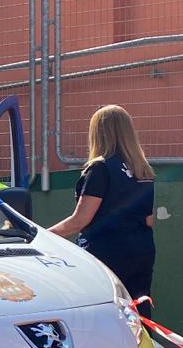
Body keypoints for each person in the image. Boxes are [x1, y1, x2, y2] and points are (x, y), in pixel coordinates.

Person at [49, 105, 156, 318]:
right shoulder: (143, 169)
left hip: (105, 254)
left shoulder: (100, 168)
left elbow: (80, 220)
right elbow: (149, 219)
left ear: (97, 132)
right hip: (142, 251)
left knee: (105, 315)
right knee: (138, 313)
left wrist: (43, 235)